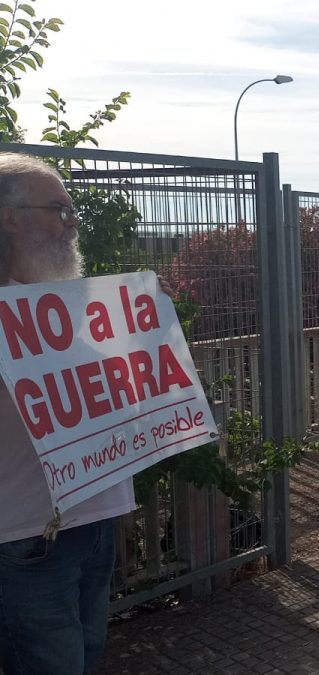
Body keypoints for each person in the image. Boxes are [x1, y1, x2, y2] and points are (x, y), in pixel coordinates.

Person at [0, 152, 157, 674]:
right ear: (9, 217)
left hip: (94, 519)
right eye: (58, 209)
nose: (72, 223)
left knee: (87, 655)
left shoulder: (82, 305)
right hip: (26, 534)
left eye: (73, 211)